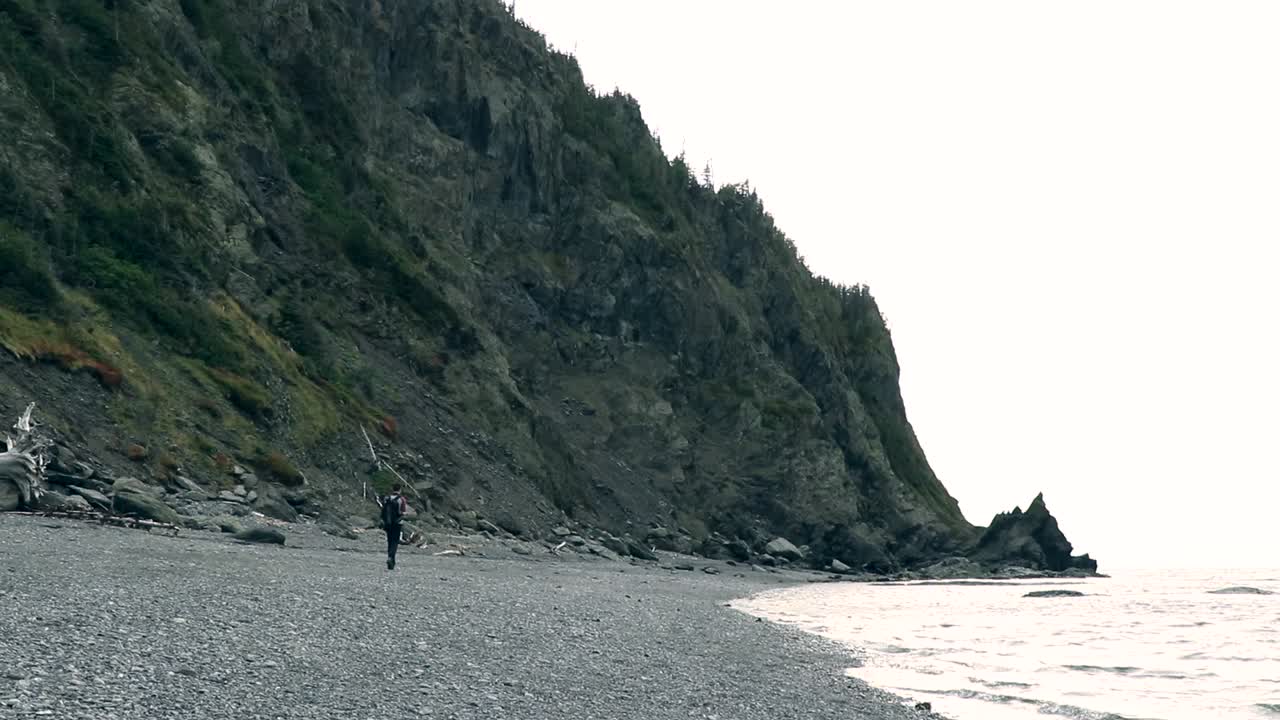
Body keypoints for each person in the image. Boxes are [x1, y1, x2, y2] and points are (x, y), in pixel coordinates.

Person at [380, 485, 409, 570]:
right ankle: (391, 558)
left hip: (388, 523)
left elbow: (383, 510)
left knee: (389, 541)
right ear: (400, 490)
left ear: (392, 489)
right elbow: (403, 512)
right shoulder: (401, 499)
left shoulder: (387, 498)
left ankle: (390, 557)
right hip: (397, 523)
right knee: (395, 541)